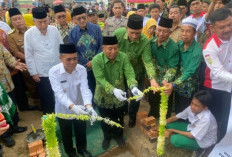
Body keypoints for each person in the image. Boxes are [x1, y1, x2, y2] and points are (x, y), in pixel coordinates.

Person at [92, 35, 142, 149]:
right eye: (110, 49)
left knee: (119, 116)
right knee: (105, 118)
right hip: (103, 96)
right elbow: (100, 79)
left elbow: (129, 73)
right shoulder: (96, 60)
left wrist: (133, 87)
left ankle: (119, 135)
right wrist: (113, 90)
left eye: (116, 48)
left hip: (120, 96)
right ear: (103, 48)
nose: (113, 51)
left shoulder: (123, 57)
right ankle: (107, 136)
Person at [49, 44, 95, 157]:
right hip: (63, 109)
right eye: (68, 59)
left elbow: (85, 88)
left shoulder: (81, 69)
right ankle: (70, 152)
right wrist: (73, 107)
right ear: (60, 58)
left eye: (75, 58)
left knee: (81, 130)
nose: (72, 62)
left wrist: (89, 106)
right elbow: (59, 93)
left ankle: (82, 150)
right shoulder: (53, 72)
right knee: (66, 133)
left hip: (81, 107)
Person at [114, 14, 156, 128]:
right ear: (126, 28)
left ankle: (132, 116)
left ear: (142, 30)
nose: (134, 36)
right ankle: (122, 114)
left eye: (137, 33)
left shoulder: (145, 42)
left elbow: (147, 61)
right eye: (131, 32)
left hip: (137, 74)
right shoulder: (118, 34)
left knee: (135, 98)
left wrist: (152, 79)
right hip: (120, 73)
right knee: (121, 96)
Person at [24, 7, 63, 114]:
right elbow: (29, 55)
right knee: (46, 97)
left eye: (45, 21)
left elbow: (61, 48)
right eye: (39, 22)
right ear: (34, 21)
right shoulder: (29, 34)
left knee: (60, 94)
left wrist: (64, 65)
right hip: (42, 72)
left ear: (48, 19)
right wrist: (33, 73)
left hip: (57, 69)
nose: (43, 25)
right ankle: (49, 119)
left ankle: (62, 116)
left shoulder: (54, 30)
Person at [203, 8, 232, 141]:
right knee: (218, 118)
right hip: (216, 87)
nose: (227, 29)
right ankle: (215, 144)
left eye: (230, 24)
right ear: (213, 28)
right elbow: (219, 73)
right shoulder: (209, 47)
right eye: (222, 27)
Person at [68, 6, 102, 108]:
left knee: (98, 85)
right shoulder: (72, 33)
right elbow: (73, 51)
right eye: (79, 18)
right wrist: (87, 62)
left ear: (86, 16)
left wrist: (94, 60)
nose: (82, 20)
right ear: (74, 20)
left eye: (84, 17)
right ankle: (89, 107)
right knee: (86, 87)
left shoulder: (96, 28)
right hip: (82, 67)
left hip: (97, 64)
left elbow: (101, 45)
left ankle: (100, 106)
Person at [7, 8, 39, 111]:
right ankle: (37, 102)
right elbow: (15, 52)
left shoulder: (34, 29)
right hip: (27, 65)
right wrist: (30, 59)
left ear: (23, 19)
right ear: (12, 22)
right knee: (32, 85)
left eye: (19, 18)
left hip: (41, 61)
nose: (18, 21)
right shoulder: (11, 36)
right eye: (14, 20)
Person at [170, 18, 202, 114]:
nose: (184, 34)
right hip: (177, 83)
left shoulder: (197, 50)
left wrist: (174, 83)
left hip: (188, 86)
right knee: (177, 107)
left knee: (185, 109)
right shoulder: (180, 44)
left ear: (194, 33)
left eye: (188, 31)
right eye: (182, 31)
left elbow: (190, 71)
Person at [149, 17, 179, 119]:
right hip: (153, 79)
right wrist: (151, 78)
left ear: (170, 32)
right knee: (152, 101)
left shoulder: (173, 47)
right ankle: (152, 117)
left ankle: (165, 125)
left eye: (165, 32)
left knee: (165, 106)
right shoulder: (151, 42)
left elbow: (172, 68)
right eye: (159, 30)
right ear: (156, 29)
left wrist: (165, 81)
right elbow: (148, 62)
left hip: (166, 82)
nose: (161, 34)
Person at [0, 44, 27, 147]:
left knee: (11, 104)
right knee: (1, 111)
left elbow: (8, 57)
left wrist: (14, 63)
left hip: (6, 82)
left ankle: (14, 126)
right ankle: (5, 135)